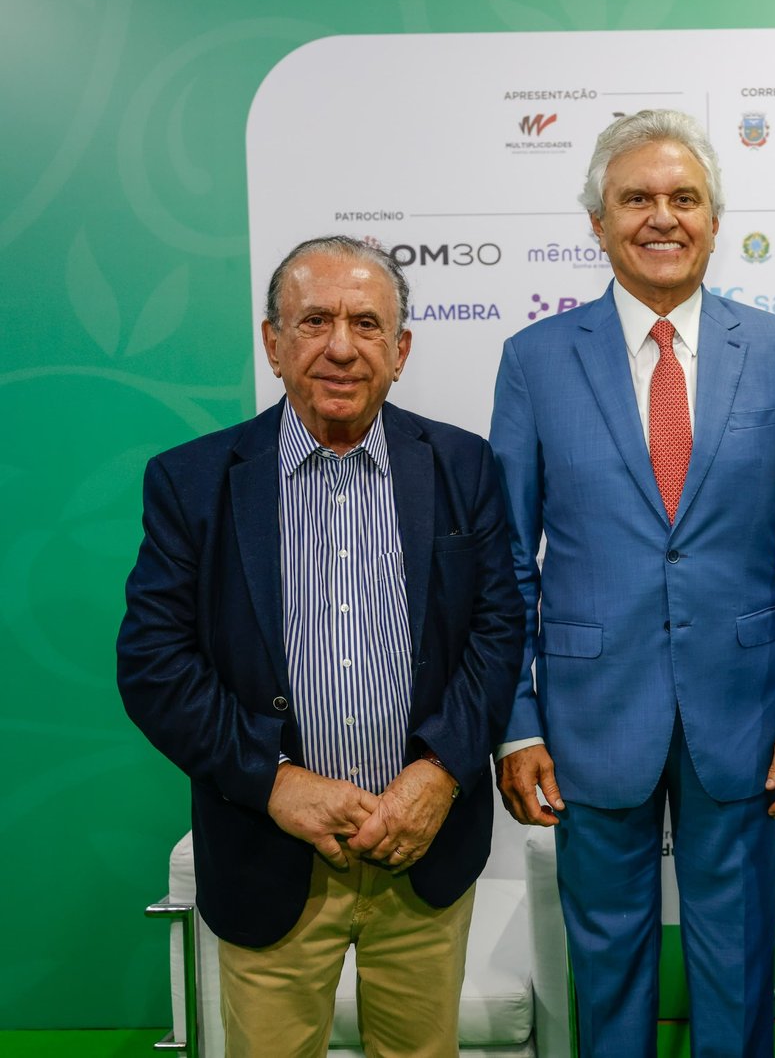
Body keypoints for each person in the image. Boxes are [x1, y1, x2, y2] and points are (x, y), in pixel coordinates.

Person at [117, 235, 525, 1057]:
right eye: (315, 321)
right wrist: (273, 781)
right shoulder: (193, 482)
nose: (342, 346)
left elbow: (499, 626)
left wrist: (441, 773)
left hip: (423, 846)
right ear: (273, 341)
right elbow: (154, 663)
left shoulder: (463, 466)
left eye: (368, 324)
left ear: (401, 349)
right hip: (268, 853)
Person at [490, 109, 775, 1057]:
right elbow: (508, 558)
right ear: (597, 222)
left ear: (716, 220)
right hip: (589, 709)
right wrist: (519, 720)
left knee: (739, 960)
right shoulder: (534, 359)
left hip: (747, 708)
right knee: (607, 963)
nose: (662, 216)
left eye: (685, 198)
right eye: (636, 198)